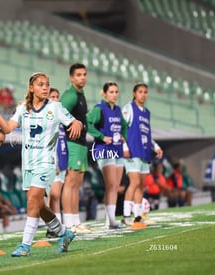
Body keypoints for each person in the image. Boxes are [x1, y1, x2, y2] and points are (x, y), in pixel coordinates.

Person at [0, 72, 83, 257]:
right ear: (31, 88)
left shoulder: (56, 107)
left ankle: (25, 246)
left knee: (33, 200)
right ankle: (65, 233)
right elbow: (7, 129)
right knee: (38, 206)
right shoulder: (23, 107)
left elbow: (73, 121)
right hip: (28, 164)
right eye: (40, 84)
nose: (45, 87)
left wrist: (77, 122)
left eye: (47, 84)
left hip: (46, 163)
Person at [121, 83, 163, 229]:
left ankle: (138, 216)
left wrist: (155, 146)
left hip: (144, 152)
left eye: (145, 92)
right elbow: (121, 128)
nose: (143, 94)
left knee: (141, 185)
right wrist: (125, 146)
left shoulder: (146, 112)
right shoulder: (129, 108)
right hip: (132, 152)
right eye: (140, 92)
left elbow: (147, 133)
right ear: (134, 93)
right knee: (134, 182)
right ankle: (126, 216)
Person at [87, 82, 127, 229]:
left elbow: (124, 126)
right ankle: (111, 220)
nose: (114, 94)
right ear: (104, 93)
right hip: (104, 149)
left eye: (116, 92)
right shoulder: (99, 108)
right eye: (111, 92)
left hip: (118, 149)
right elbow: (87, 122)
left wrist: (123, 136)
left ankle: (110, 219)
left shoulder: (117, 109)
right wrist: (101, 136)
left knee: (115, 186)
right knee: (110, 185)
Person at [60, 63, 89, 233]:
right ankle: (69, 223)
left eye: (84, 74)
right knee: (70, 183)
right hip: (72, 143)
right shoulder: (70, 96)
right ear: (72, 78)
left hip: (81, 143)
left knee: (77, 183)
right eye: (78, 75)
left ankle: (76, 221)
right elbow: (59, 113)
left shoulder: (81, 94)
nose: (82, 77)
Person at [45, 87, 68, 237]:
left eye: (56, 96)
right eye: (52, 96)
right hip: (53, 162)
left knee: (56, 197)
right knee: (53, 195)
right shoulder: (47, 117)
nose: (55, 98)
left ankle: (55, 228)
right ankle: (54, 227)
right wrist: (56, 162)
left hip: (62, 161)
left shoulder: (61, 116)